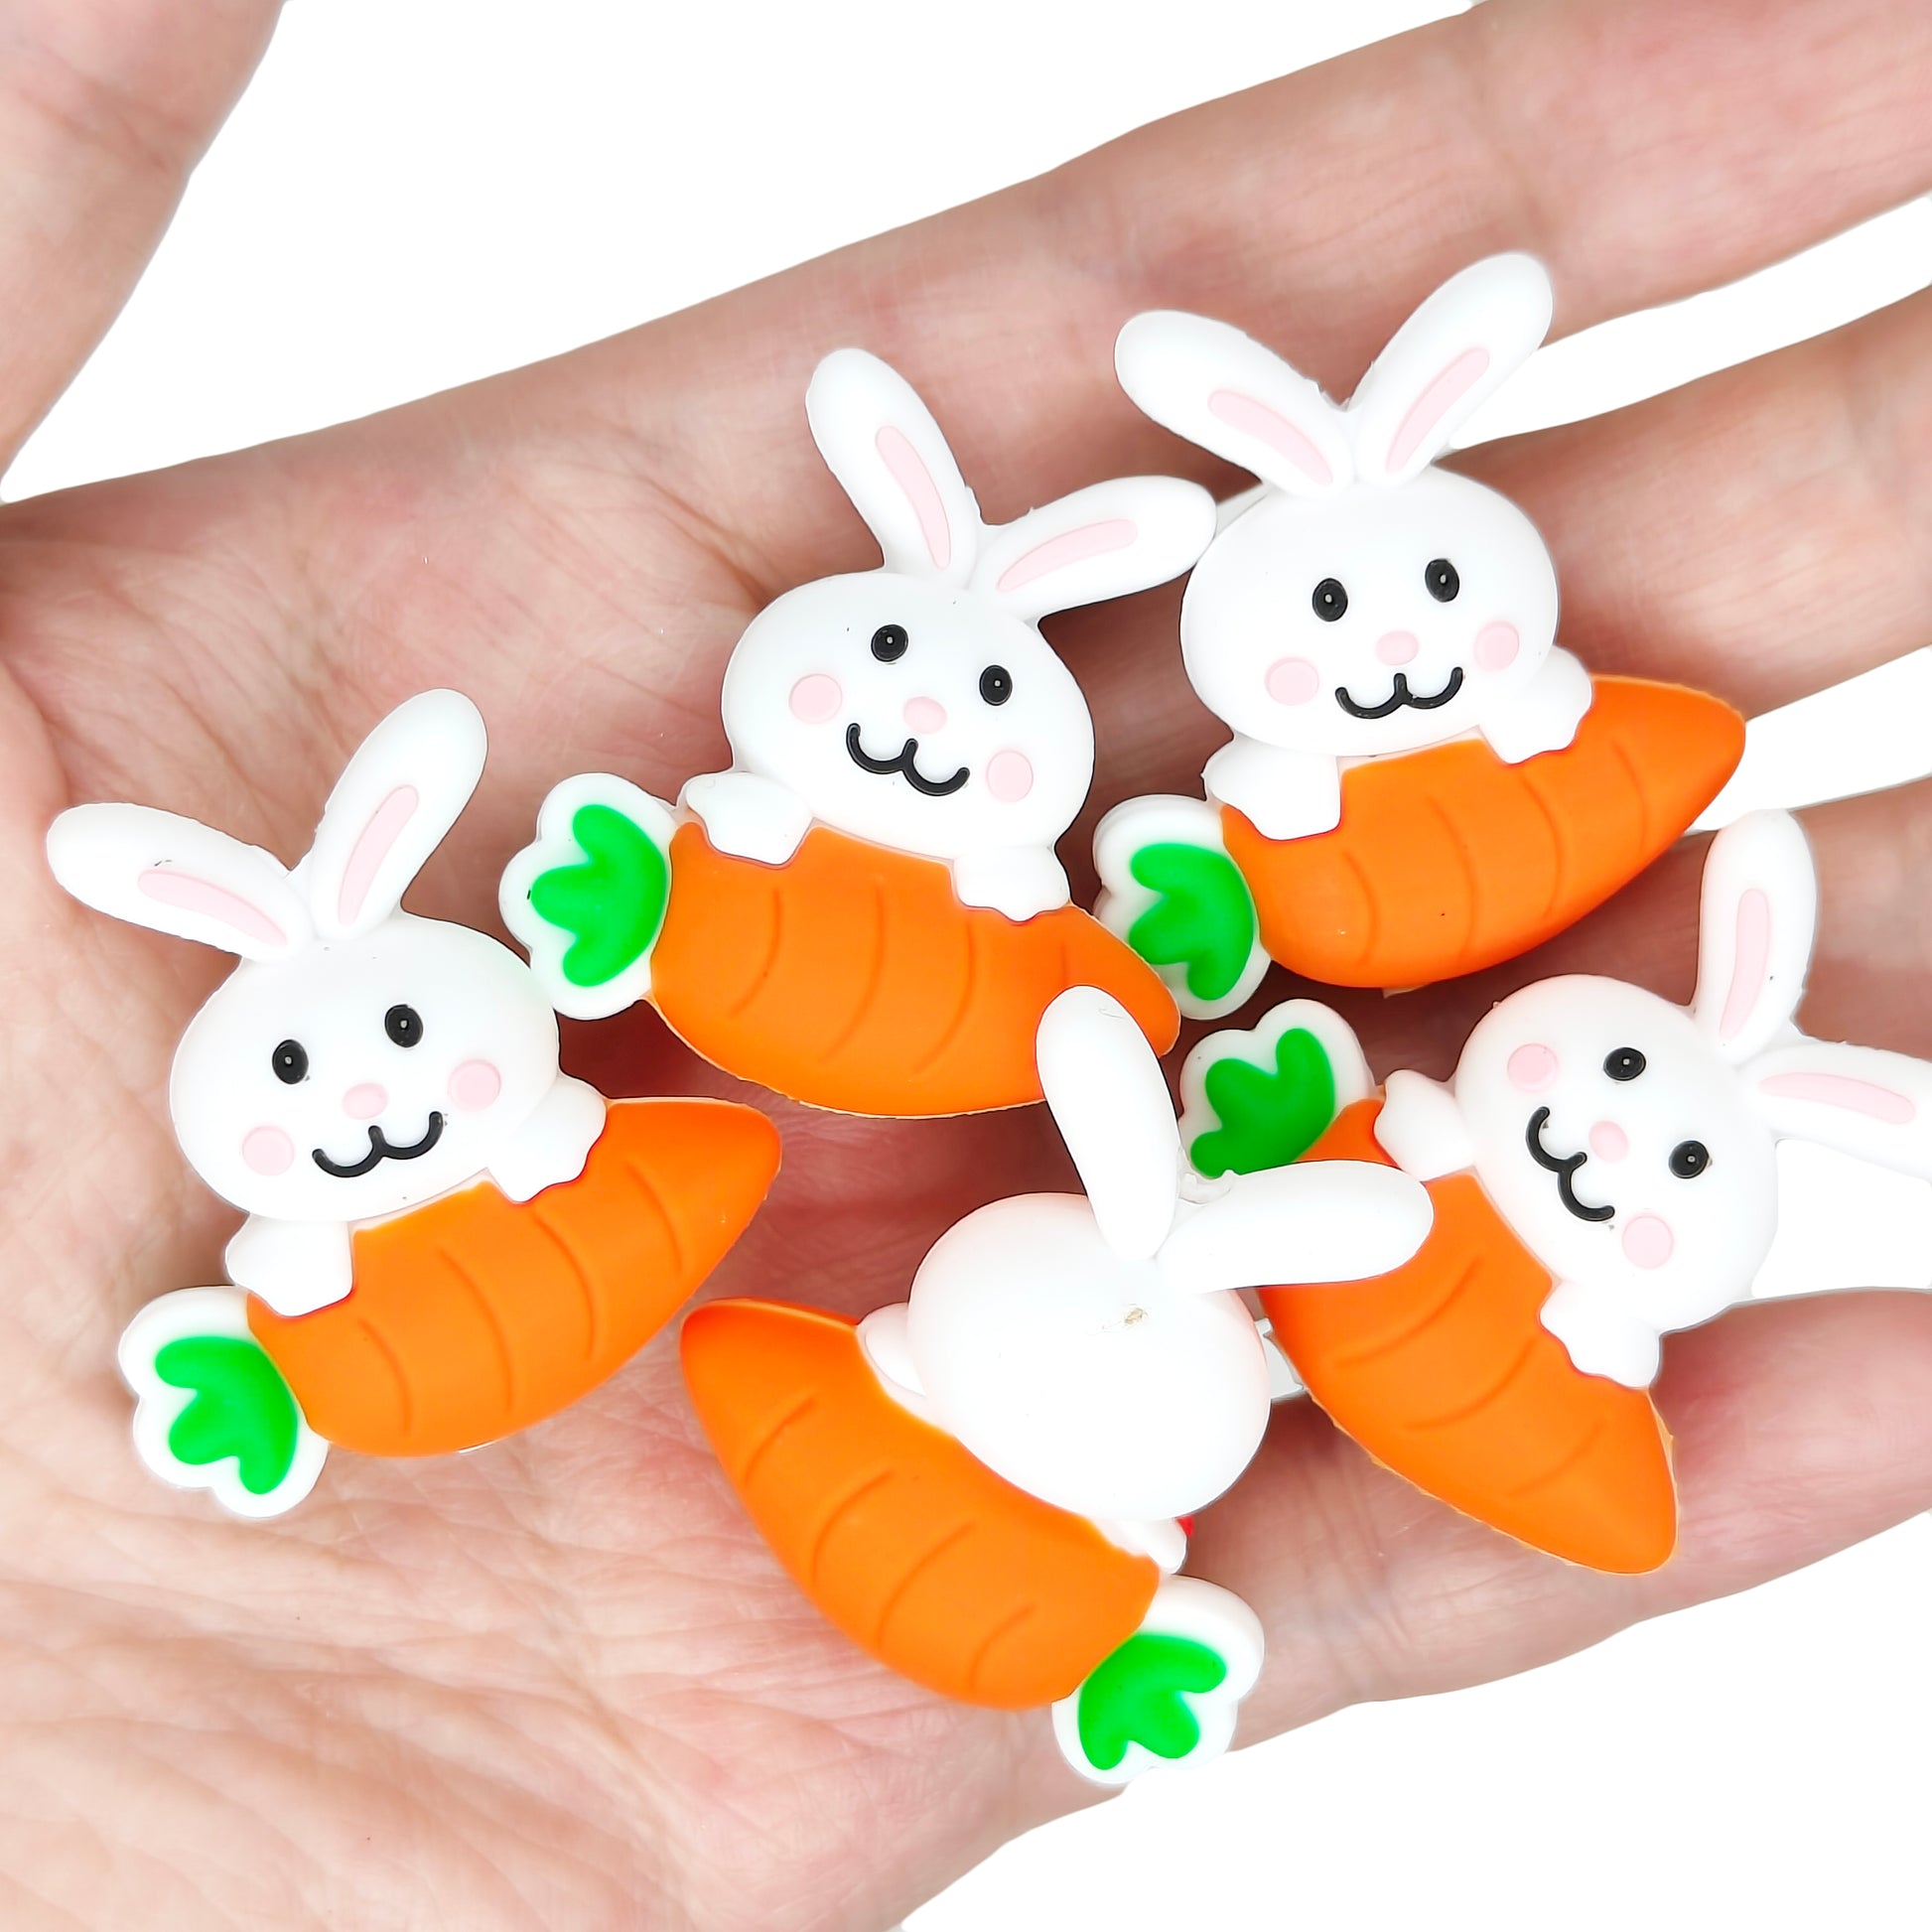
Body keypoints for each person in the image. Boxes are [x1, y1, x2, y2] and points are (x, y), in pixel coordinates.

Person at [5, 0, 1932, 1924]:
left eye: (1438, 584)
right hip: (806, 1196)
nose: (927, 713)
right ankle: (294, 1368)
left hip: (1089, 1300)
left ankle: (1122, 1617)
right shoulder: (799, 953)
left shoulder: (1372, 1028)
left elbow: (1143, 1042)